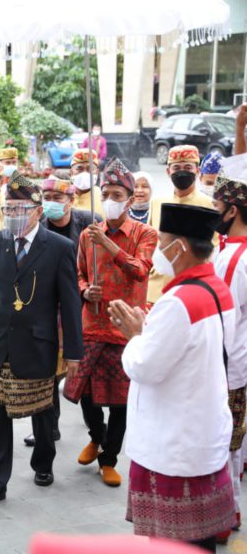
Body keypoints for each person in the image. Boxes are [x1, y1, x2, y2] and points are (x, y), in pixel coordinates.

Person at [112, 203, 236, 553]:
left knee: (176, 542)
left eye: (162, 241)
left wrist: (134, 335)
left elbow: (145, 367)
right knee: (201, 539)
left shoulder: (180, 301)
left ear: (179, 246)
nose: (156, 251)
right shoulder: (214, 289)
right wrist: (148, 329)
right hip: (200, 432)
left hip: (175, 443)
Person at [0, 171, 83, 508]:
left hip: (38, 342)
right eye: (9, 209)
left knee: (43, 410)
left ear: (37, 211)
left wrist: (74, 352)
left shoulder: (60, 247)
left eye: (21, 209)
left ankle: (43, 462)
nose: (14, 216)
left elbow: (70, 304)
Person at [63, 159, 157, 488]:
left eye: (116, 194)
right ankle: (96, 437)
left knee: (120, 401)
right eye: (105, 193)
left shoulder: (145, 233)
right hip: (91, 324)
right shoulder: (88, 236)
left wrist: (109, 245)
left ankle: (109, 459)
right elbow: (77, 275)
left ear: (130, 200)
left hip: (124, 328)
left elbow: (140, 269)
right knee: (83, 394)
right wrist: (86, 291)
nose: (110, 199)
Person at [21, 176, 99, 448]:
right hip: (45, 305)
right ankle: (46, 427)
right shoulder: (36, 226)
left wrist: (88, 289)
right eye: (47, 198)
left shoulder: (91, 222)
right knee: (46, 370)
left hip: (83, 304)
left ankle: (96, 430)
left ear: (71, 201)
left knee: (84, 369)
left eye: (58, 198)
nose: (51, 204)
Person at [211, 171, 247, 542]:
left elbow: (226, 321)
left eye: (217, 206)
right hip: (237, 363)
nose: (213, 212)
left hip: (230, 364)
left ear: (232, 210)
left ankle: (225, 514)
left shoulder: (235, 258)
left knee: (225, 443)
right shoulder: (230, 251)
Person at [147, 145, 215, 304]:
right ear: (168, 171)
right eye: (176, 167)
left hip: (191, 288)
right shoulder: (157, 202)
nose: (182, 172)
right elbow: (151, 242)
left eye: (188, 167)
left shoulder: (208, 205)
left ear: (198, 172)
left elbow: (213, 250)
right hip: (156, 289)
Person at [70, 149, 103, 216]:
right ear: (71, 173)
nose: (85, 173)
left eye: (90, 169)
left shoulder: (103, 198)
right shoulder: (64, 196)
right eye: (79, 169)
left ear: (96, 173)